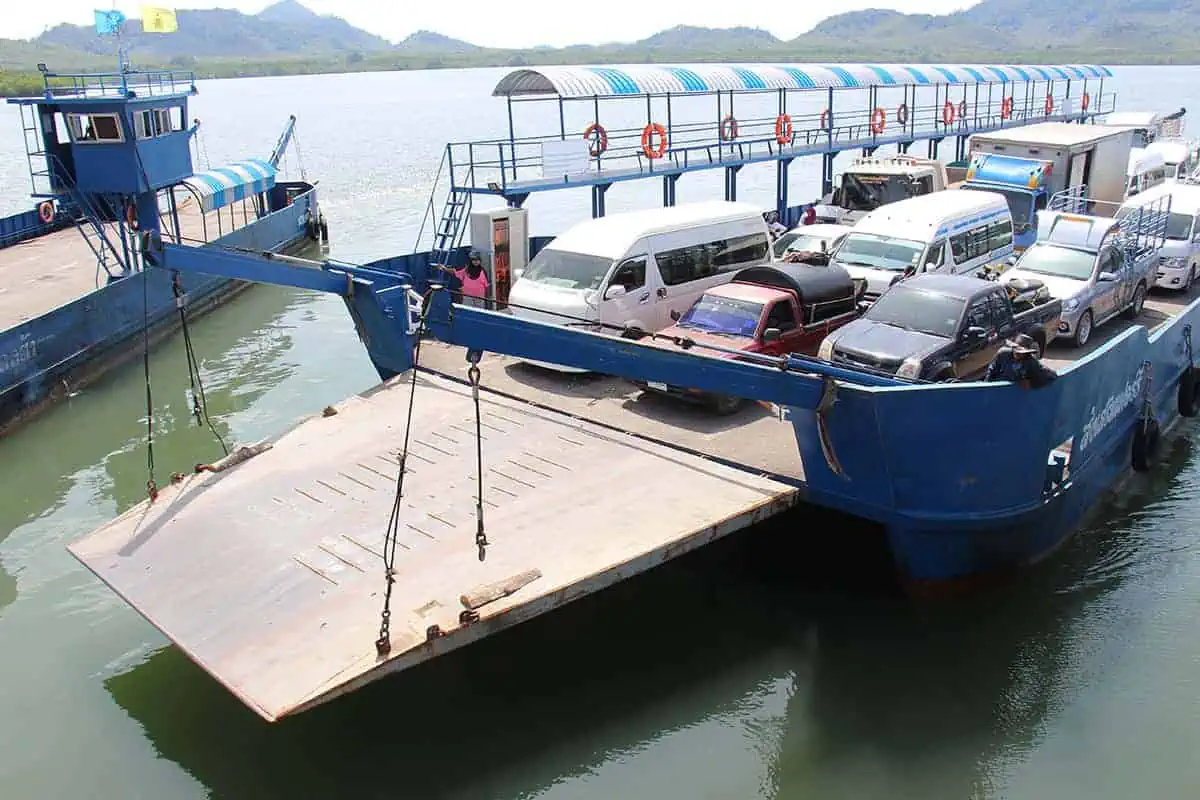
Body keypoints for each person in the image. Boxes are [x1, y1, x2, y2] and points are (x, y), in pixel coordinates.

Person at [984, 333, 1057, 389]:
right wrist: (987, 388)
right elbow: (991, 372)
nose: (1018, 354)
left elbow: (1051, 375)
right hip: (1001, 387)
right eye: (1016, 350)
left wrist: (1031, 383)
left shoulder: (1031, 361)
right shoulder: (1003, 354)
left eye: (1022, 353)